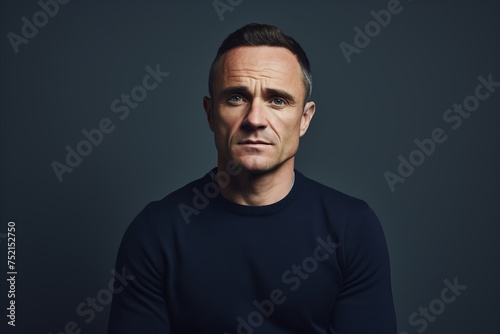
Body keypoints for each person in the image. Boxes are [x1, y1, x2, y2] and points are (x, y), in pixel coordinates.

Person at [108, 23, 397, 334]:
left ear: (305, 119)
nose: (255, 120)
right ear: (209, 113)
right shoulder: (155, 232)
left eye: (277, 100)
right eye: (236, 98)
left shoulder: (352, 227)